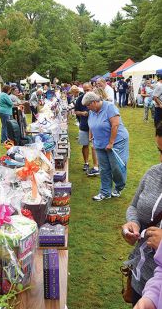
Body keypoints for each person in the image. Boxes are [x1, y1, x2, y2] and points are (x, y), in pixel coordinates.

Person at [122, 122, 162, 306]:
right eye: (160, 151)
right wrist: (133, 223)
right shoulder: (154, 173)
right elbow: (134, 206)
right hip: (142, 276)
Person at [82, 91, 129, 201]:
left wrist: (111, 142)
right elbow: (91, 125)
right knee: (104, 169)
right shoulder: (92, 111)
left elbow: (115, 125)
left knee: (117, 167)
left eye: (88, 105)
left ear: (94, 102)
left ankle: (119, 187)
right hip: (100, 143)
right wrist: (91, 137)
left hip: (117, 142)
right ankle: (105, 192)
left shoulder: (109, 107)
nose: (87, 108)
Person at [74, 83, 99, 176]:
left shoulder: (96, 98)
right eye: (84, 90)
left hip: (95, 126)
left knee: (95, 146)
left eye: (88, 90)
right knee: (85, 145)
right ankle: (86, 163)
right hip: (84, 125)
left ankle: (96, 165)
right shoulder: (80, 99)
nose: (86, 92)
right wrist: (82, 113)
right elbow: (75, 111)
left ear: (92, 88)